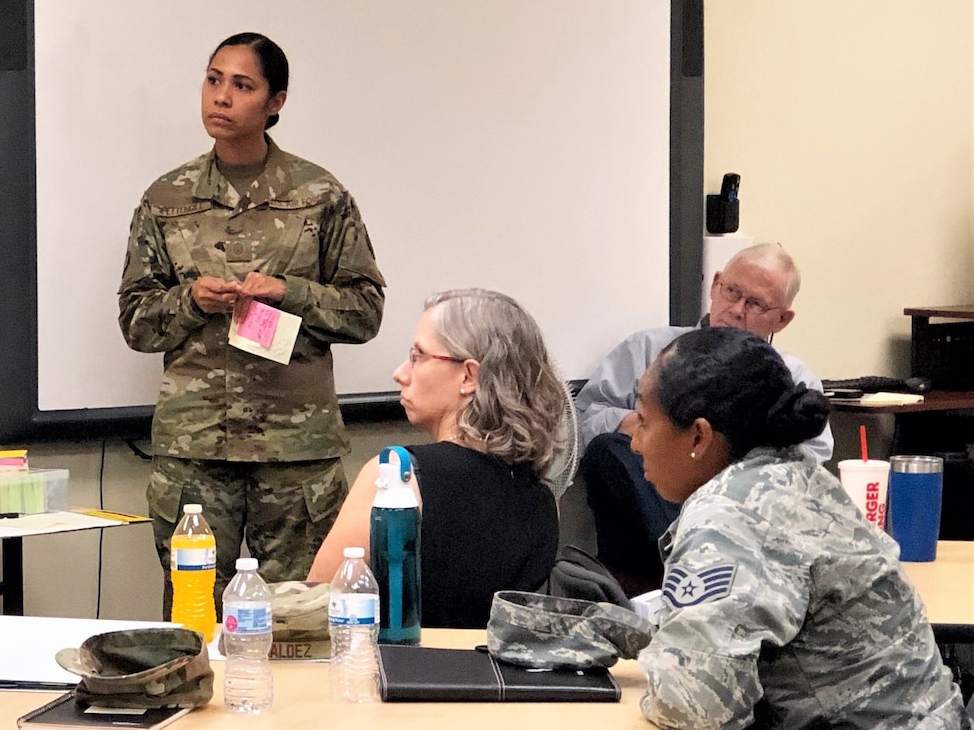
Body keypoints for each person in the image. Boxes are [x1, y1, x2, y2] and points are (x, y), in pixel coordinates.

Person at [118, 32, 386, 611]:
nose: (221, 97)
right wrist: (191, 300)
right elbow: (136, 322)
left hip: (295, 452)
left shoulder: (319, 194)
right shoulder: (166, 199)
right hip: (197, 449)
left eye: (242, 85)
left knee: (298, 620)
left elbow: (365, 310)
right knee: (197, 620)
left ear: (275, 102)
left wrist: (290, 292)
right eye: (213, 80)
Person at [625, 327, 963, 728]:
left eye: (644, 421)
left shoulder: (730, 513)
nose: (634, 443)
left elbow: (695, 706)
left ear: (699, 435)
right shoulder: (794, 473)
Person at [305, 288, 569, 629]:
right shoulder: (544, 500)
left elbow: (313, 614)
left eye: (418, 356)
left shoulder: (396, 478)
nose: (400, 373)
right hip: (499, 681)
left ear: (469, 376)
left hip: (400, 678)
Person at [575, 242, 828, 592]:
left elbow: (806, 463)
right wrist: (642, 425)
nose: (736, 310)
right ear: (715, 285)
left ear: (782, 318)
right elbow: (583, 419)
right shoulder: (649, 350)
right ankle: (684, 551)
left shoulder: (794, 379)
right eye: (732, 292)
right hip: (648, 530)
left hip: (745, 529)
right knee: (610, 449)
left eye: (755, 303)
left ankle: (701, 555)